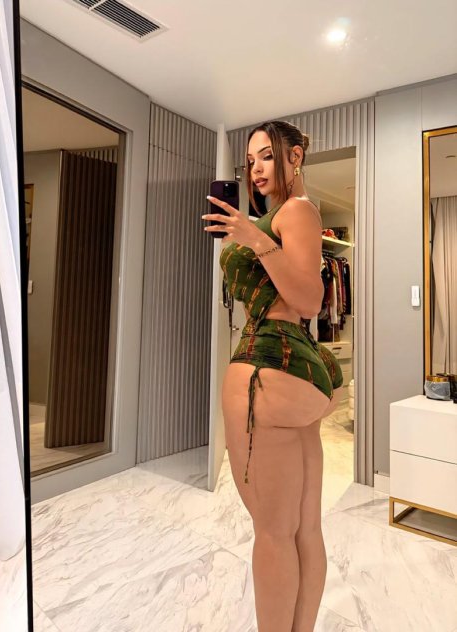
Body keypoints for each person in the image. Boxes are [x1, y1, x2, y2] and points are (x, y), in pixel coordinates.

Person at [202, 120, 344, 632]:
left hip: (268, 368)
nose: (257, 169)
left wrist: (252, 239)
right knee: (303, 529)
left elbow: (308, 300)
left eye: (267, 155)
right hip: (295, 374)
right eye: (251, 160)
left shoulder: (296, 212)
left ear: (295, 156)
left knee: (273, 533)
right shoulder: (285, 215)